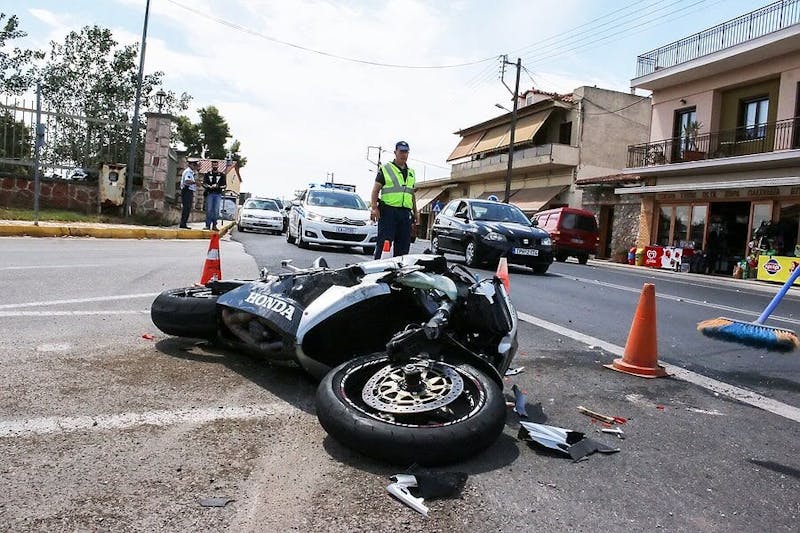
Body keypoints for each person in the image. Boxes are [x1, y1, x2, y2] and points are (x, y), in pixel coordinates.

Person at [370, 140, 418, 258]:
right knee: (384, 244)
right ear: (395, 152)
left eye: (406, 152)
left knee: (403, 248)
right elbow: (375, 190)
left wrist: (415, 213)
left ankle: (399, 268)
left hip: (405, 213)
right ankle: (378, 266)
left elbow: (411, 194)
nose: (403, 154)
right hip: (388, 212)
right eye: (401, 151)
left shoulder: (411, 172)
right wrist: (374, 208)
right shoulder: (386, 169)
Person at [202, 160, 227, 231]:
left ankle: (214, 225)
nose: (214, 166)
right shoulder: (207, 174)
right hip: (209, 194)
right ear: (211, 165)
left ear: (218, 166)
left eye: (216, 165)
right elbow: (204, 183)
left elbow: (225, 185)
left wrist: (218, 186)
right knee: (209, 210)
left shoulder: (222, 175)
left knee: (216, 210)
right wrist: (209, 187)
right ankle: (207, 225)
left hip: (218, 194)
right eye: (213, 165)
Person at [179, 160, 198, 229]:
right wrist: (195, 182)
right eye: (194, 165)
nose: (195, 166)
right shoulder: (188, 172)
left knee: (187, 208)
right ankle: (183, 224)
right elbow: (187, 181)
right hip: (187, 190)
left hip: (188, 190)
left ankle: (183, 223)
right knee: (186, 208)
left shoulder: (190, 172)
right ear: (190, 164)